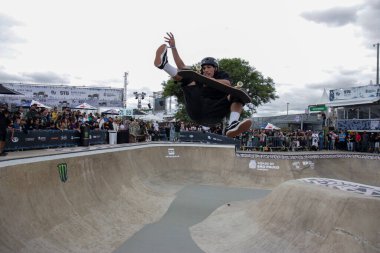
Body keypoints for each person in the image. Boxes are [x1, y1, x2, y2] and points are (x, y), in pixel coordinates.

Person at [154, 32, 252, 138]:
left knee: (237, 94)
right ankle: (164, 65)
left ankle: (232, 125)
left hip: (215, 113)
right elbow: (181, 66)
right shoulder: (198, 77)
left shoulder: (222, 75)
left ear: (215, 69)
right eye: (204, 68)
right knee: (188, 76)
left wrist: (210, 80)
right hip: (197, 109)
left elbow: (227, 83)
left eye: (209, 67)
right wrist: (173, 47)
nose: (206, 70)